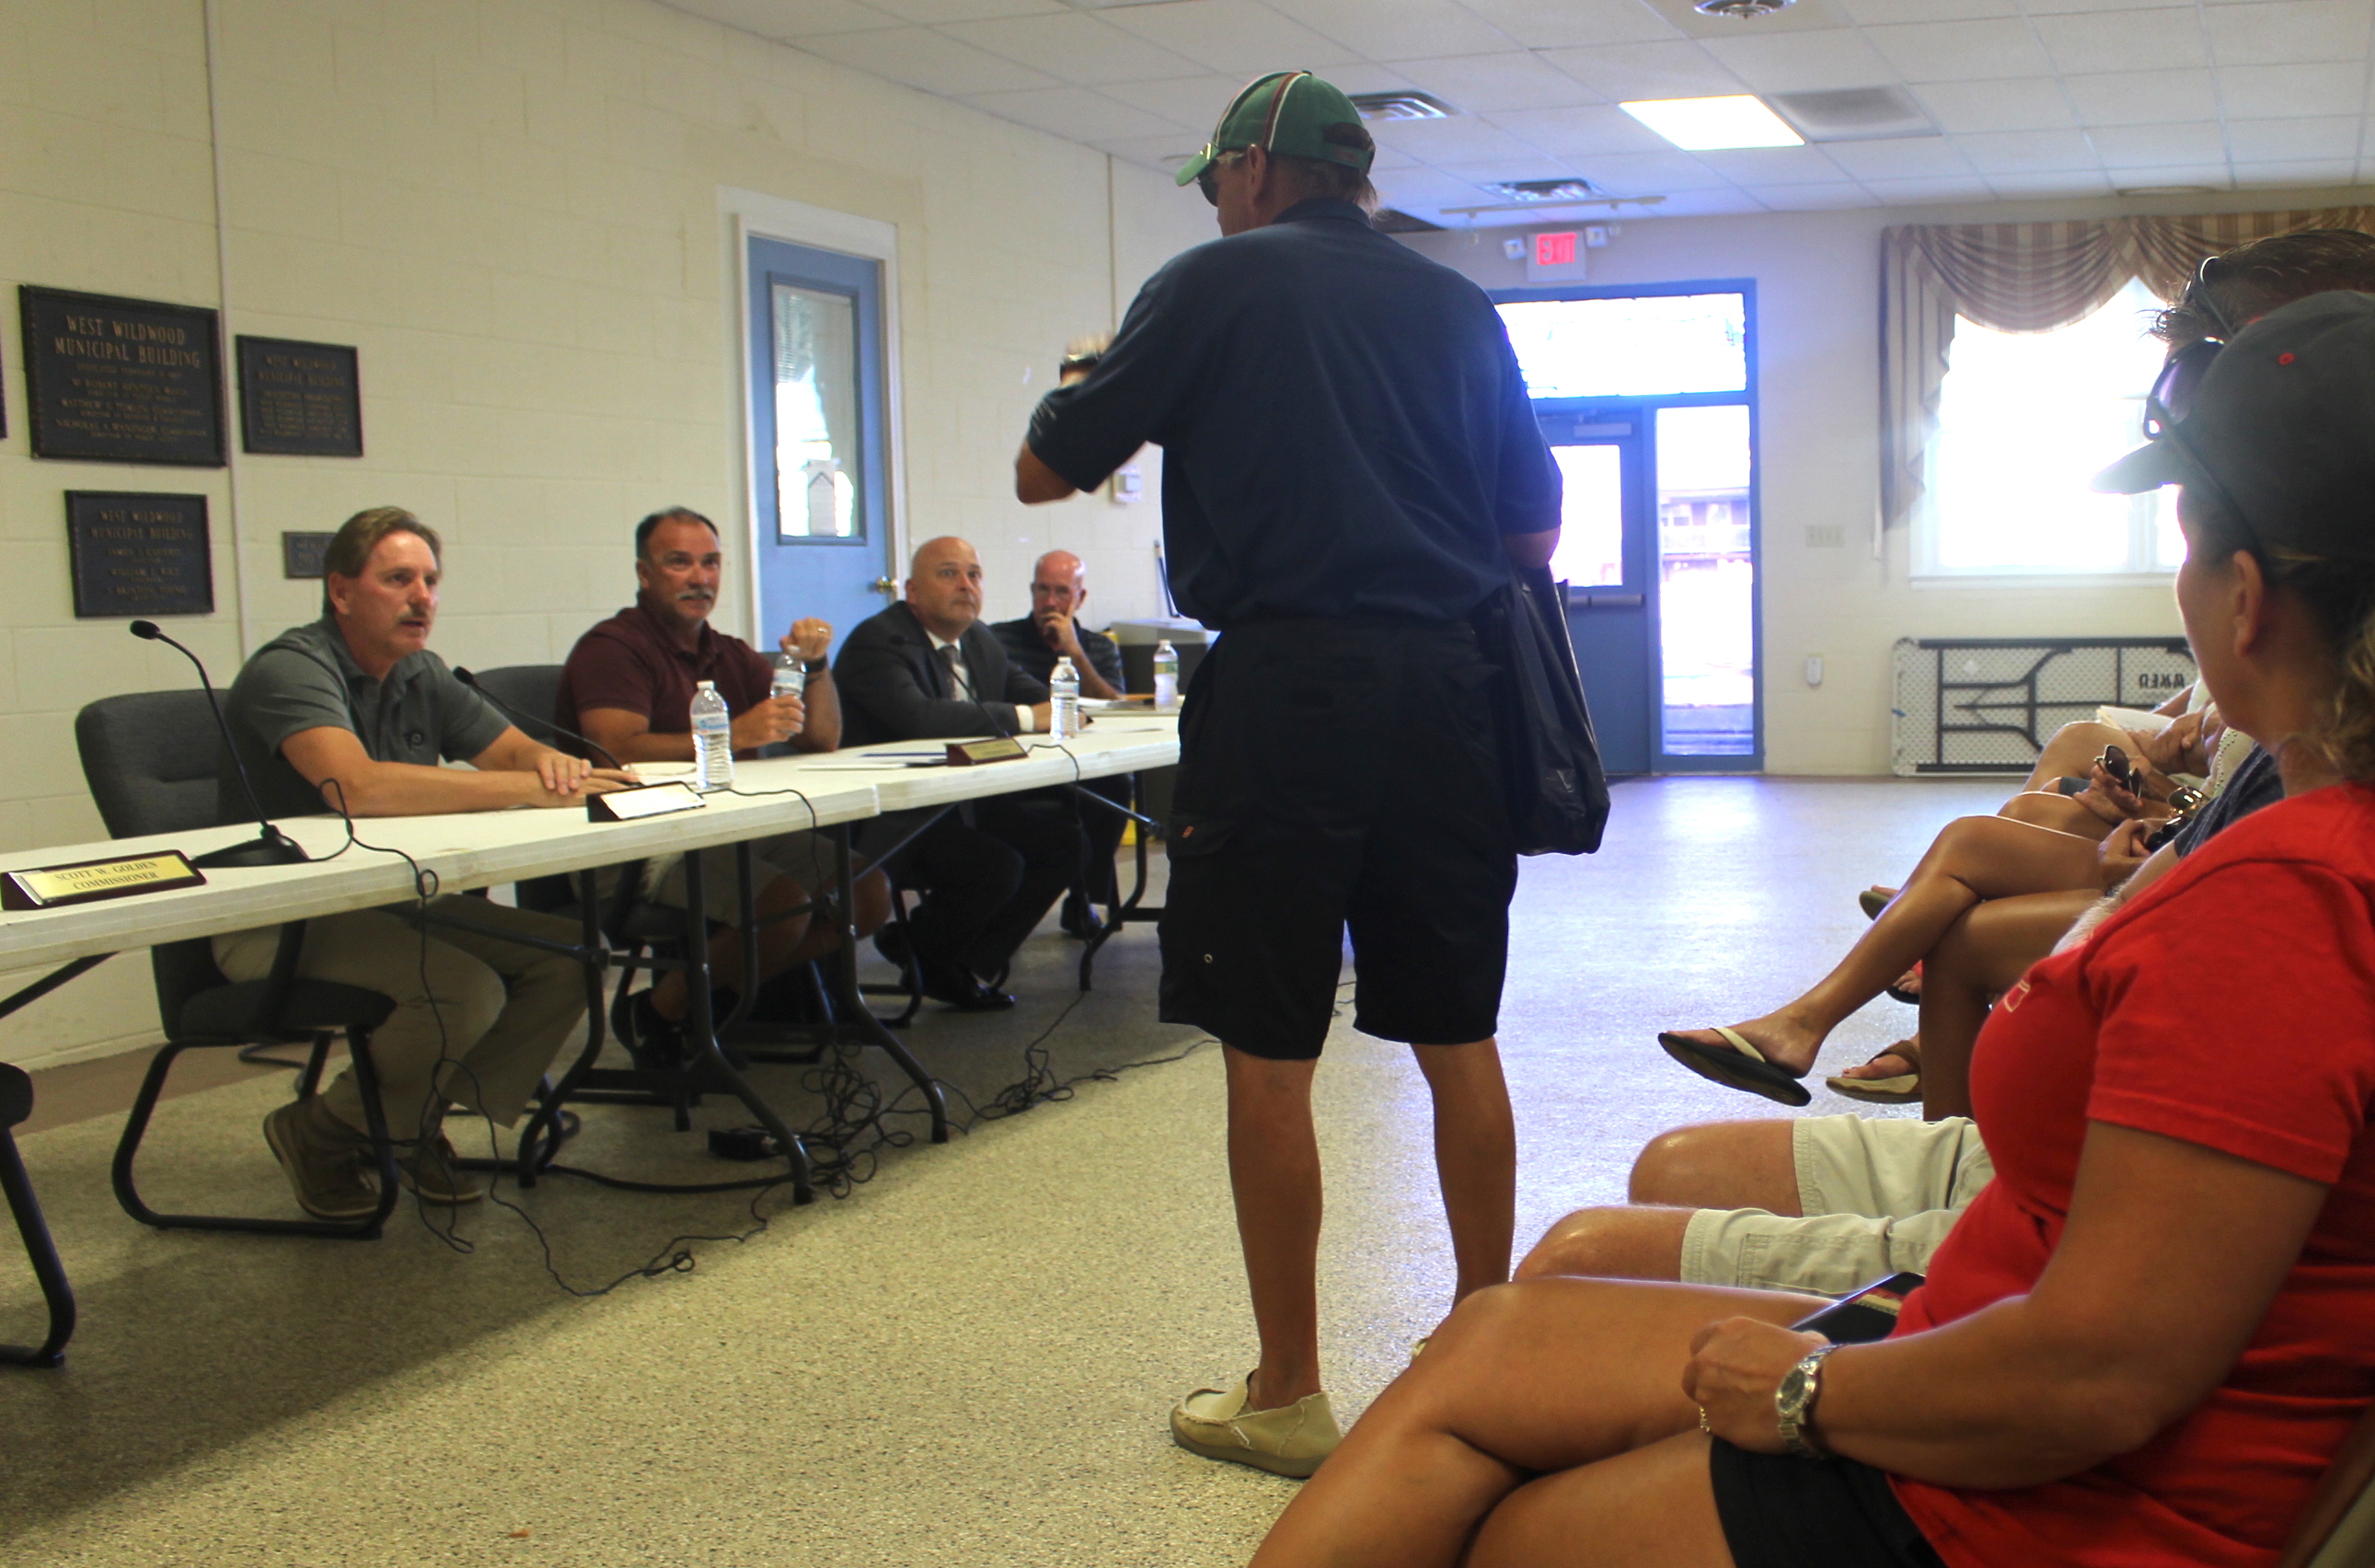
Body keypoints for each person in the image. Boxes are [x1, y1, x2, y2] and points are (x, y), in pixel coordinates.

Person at [1246, 290, 2375, 1568]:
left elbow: (2101, 1373)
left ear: (2242, 599)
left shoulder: (2286, 901)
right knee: (1491, 1344)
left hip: (2049, 1498)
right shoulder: (2306, 861)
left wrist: (1804, 1391)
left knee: (1504, 1521)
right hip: (1999, 1349)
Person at [1015, 70, 1562, 1476]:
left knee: (1270, 1051)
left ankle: (1287, 1393)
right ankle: (1486, 1351)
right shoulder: (1457, 304)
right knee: (1459, 1033)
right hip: (1446, 688)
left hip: (1283, 692)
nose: (1214, 198)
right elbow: (1532, 530)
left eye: (1216, 177)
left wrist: (1094, 376)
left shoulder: (1211, 284)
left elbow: (1040, 472)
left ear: (1258, 168)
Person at [217, 506, 635, 1219]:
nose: (422, 598)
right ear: (341, 592)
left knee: (571, 956)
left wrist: (556, 767)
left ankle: (400, 1120)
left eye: (431, 581)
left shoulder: (421, 671)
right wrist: (527, 789)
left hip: (390, 899)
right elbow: (356, 787)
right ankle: (320, 1131)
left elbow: (508, 752)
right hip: (279, 916)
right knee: (462, 989)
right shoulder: (290, 668)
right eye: (399, 579)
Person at [556, 506, 888, 1049]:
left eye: (710, 563)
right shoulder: (612, 648)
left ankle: (721, 998)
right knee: (781, 905)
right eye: (679, 563)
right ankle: (659, 1015)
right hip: (638, 842)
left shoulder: (727, 652)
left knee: (866, 891)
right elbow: (614, 750)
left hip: (731, 828)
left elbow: (820, 738)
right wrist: (733, 733)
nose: (700, 578)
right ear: (644, 574)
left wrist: (817, 666)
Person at [834, 536, 1085, 1010]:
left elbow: (1033, 691)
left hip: (962, 800)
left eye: (974, 574)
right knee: (997, 866)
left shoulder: (977, 638)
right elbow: (922, 720)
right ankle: (930, 954)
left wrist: (1070, 700)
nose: (966, 586)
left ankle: (952, 961)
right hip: (892, 818)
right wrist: (1032, 717)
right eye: (949, 574)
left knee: (1064, 843)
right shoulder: (878, 641)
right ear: (910, 591)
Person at [991, 548, 1132, 936]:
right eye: (1042, 590)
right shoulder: (998, 639)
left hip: (1078, 760)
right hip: (1019, 761)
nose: (1050, 602)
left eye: (1061, 592)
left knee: (1118, 784)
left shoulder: (1098, 647)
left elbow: (1112, 708)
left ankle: (1085, 899)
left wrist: (1074, 652)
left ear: (1080, 598)